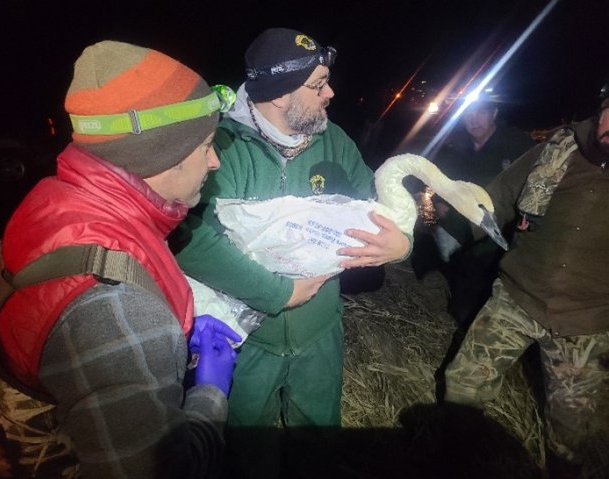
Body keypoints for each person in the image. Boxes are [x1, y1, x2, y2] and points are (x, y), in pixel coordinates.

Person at [0, 40, 242, 478]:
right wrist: (210, 393)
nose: (214, 161)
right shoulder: (118, 310)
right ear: (160, 154)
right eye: (207, 144)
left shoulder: (56, 198)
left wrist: (174, 330)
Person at [173, 27, 412, 478]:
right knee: (247, 452)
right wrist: (276, 292)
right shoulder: (219, 148)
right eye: (318, 84)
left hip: (320, 331)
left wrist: (401, 243)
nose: (331, 93)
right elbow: (188, 236)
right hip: (244, 339)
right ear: (280, 95)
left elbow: (374, 209)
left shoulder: (335, 141)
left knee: (319, 445)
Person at [443, 83, 609, 478]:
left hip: (586, 321)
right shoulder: (557, 149)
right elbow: (497, 197)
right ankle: (455, 463)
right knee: (463, 386)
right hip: (515, 297)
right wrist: (437, 229)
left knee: (572, 433)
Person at [427, 93, 535, 326]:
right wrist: (437, 202)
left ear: (494, 113)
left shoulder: (520, 145)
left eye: (481, 112)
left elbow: (538, 183)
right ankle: (459, 322)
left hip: (501, 235)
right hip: (461, 233)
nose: (473, 119)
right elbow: (436, 182)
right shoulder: (455, 146)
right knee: (460, 287)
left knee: (489, 286)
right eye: (468, 113)